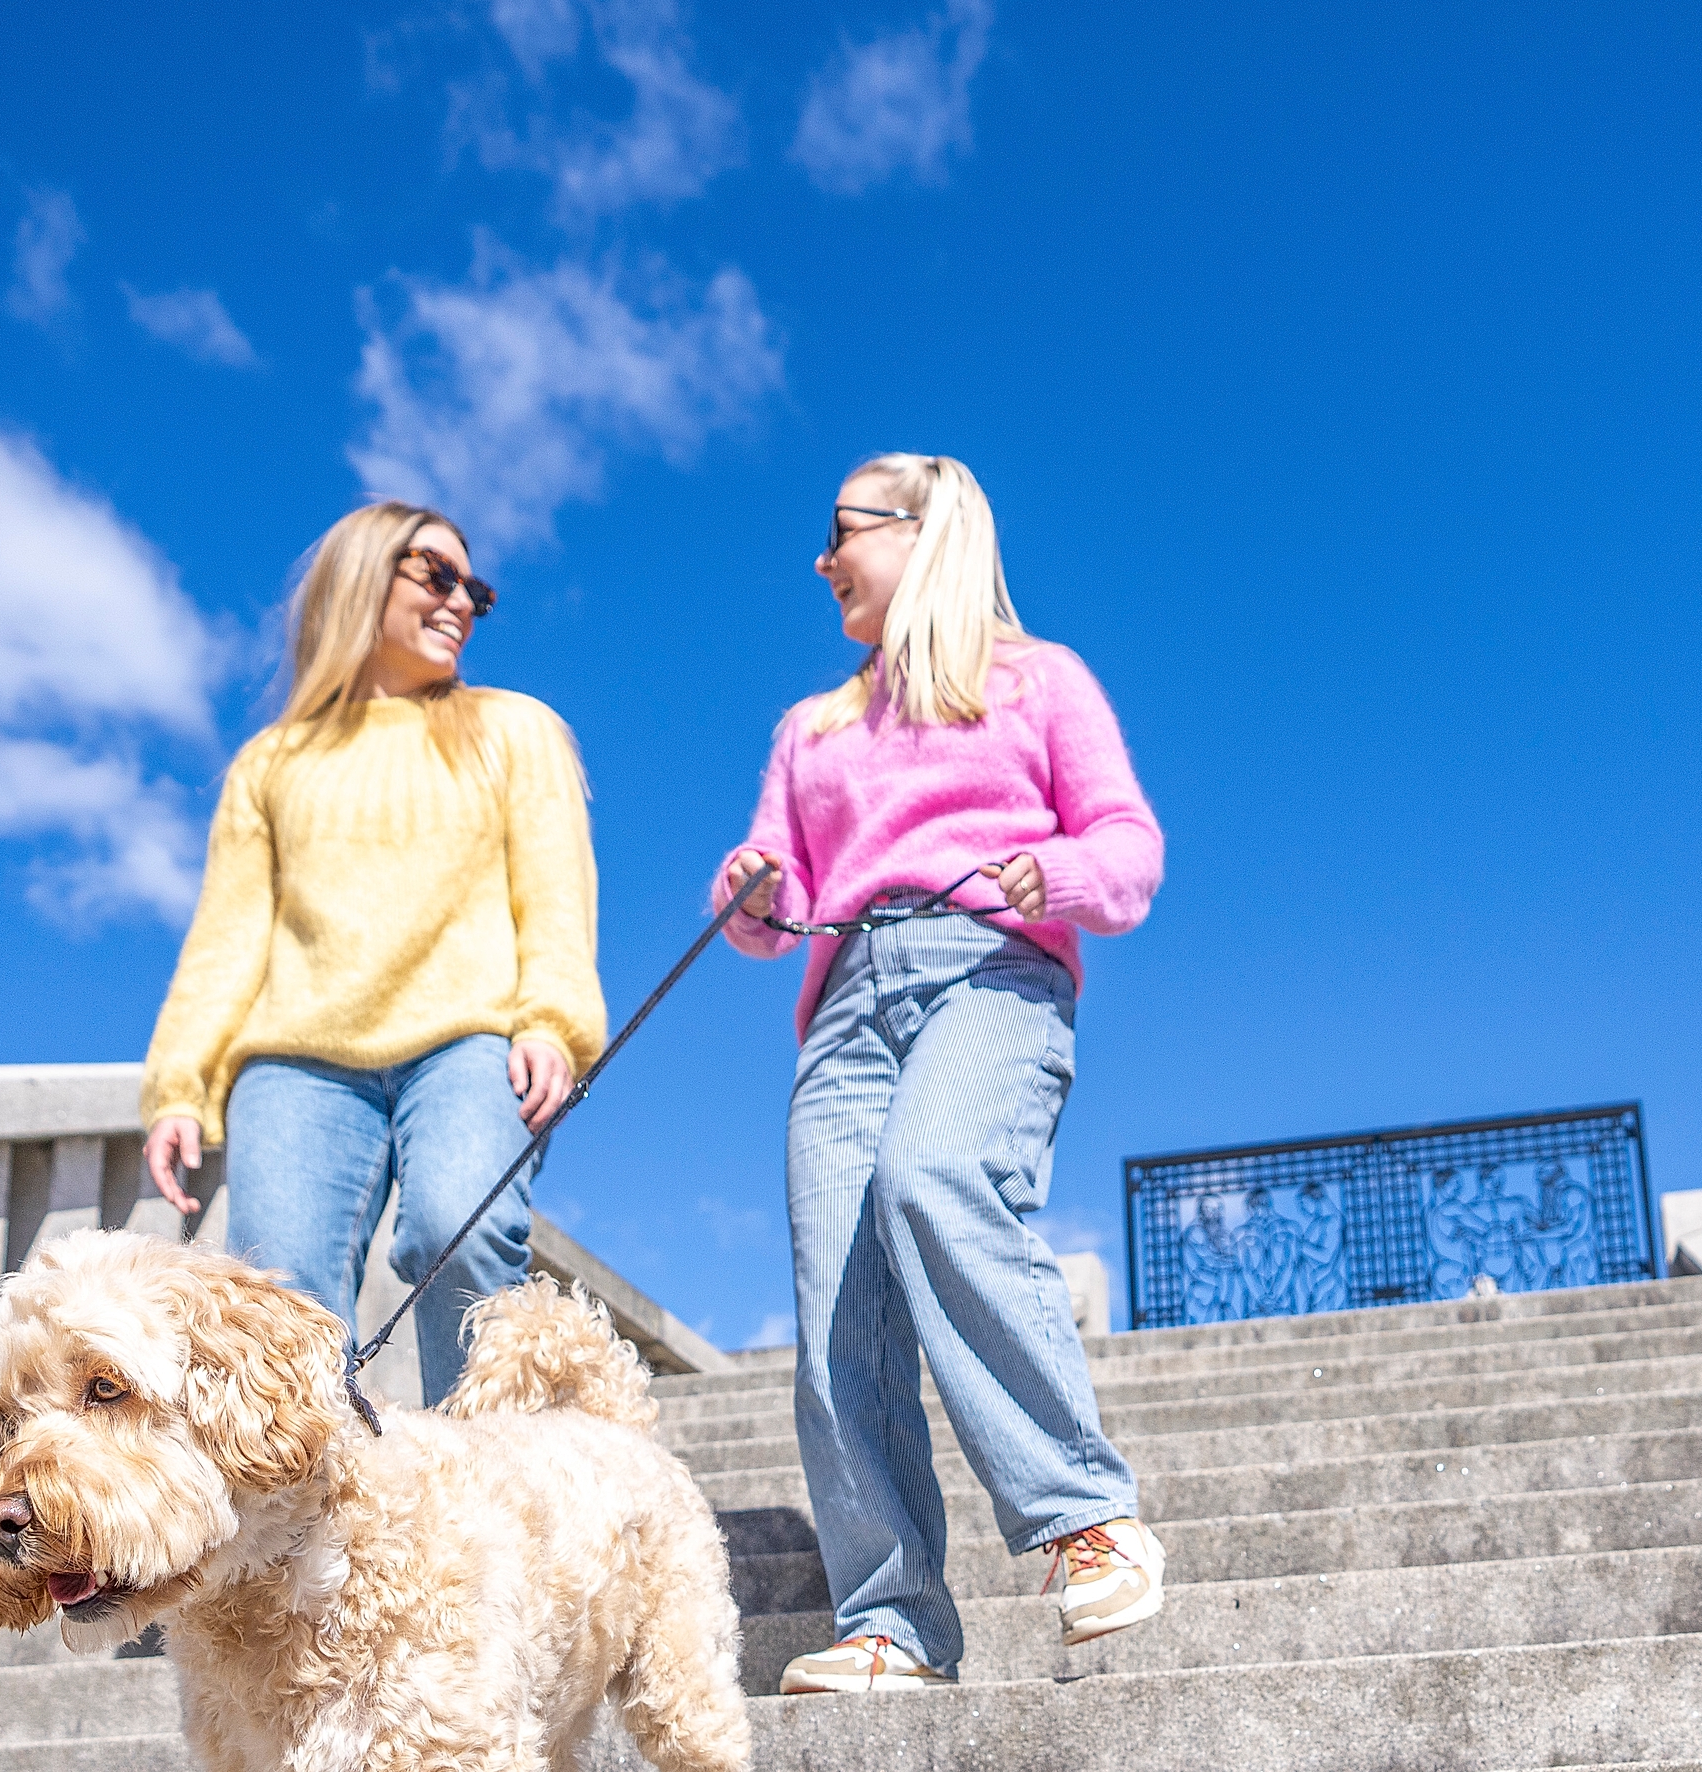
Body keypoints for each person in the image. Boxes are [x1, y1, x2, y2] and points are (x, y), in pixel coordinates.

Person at [711, 452, 1167, 1692]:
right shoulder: (811, 729)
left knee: (935, 1176)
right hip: (844, 1007)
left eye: (842, 530)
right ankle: (892, 1623)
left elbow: (1128, 850)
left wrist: (1058, 874)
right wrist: (752, 892)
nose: (822, 558)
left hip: (992, 970)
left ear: (923, 531)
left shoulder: (1039, 680)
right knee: (836, 1306)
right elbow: (771, 903)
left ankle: (1087, 1519)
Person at [141, 501, 607, 1403]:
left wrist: (553, 1024)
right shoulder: (271, 763)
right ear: (361, 577)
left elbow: (556, 892)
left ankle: (487, 1473)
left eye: (476, 590)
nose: (462, 602)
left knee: (456, 1230)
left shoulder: (515, 729)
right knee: (282, 1307)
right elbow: (227, 940)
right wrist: (179, 1088)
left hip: (468, 1040)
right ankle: (320, 1493)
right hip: (297, 1063)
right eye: (438, 575)